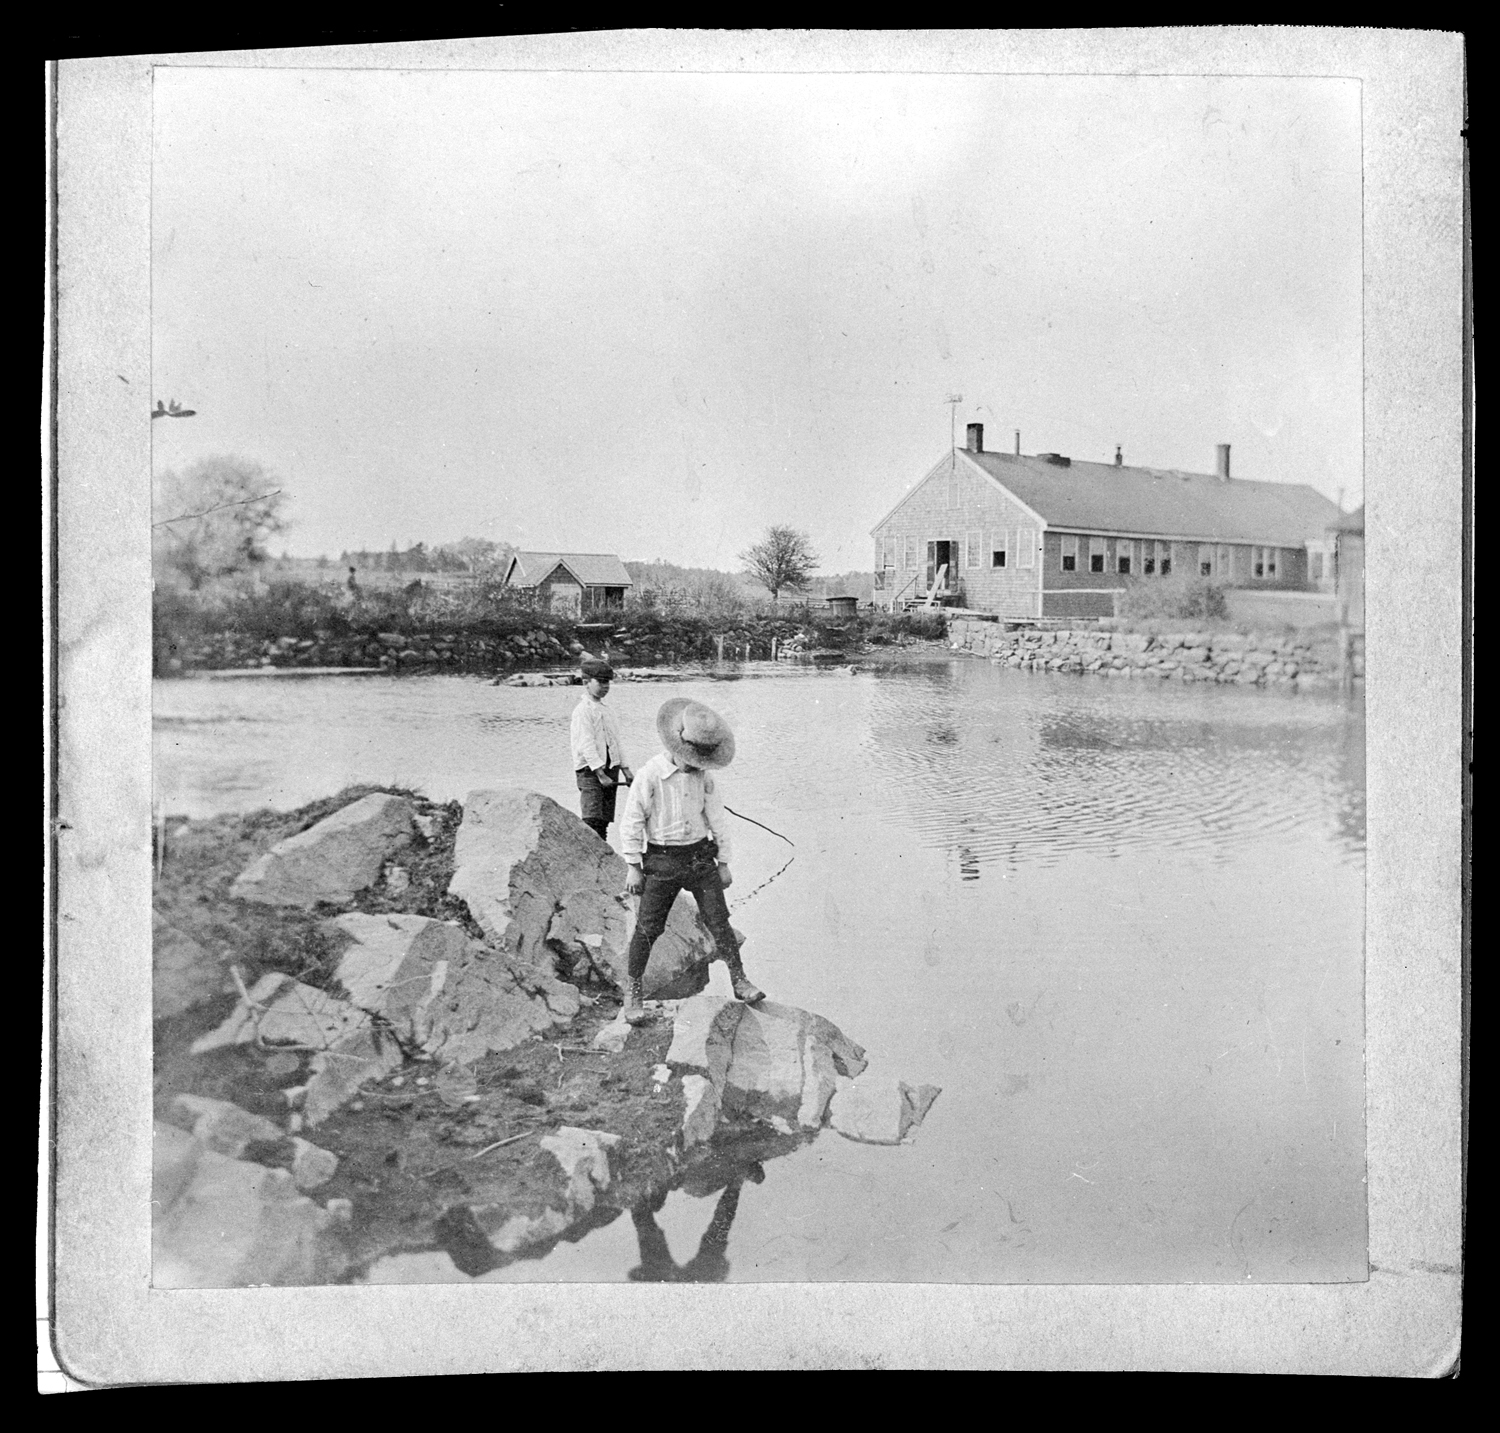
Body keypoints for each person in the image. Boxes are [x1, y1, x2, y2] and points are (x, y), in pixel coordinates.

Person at [619, 697, 766, 1022]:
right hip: (662, 860)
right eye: (691, 757)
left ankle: (739, 980)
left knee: (719, 922)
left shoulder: (705, 778)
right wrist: (633, 865)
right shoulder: (650, 775)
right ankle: (633, 991)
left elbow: (717, 820)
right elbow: (632, 820)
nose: (695, 764)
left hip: (700, 858)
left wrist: (724, 862)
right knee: (648, 927)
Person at [570, 657, 633, 843]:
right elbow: (586, 744)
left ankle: (603, 859)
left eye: (608, 683)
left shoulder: (607, 710)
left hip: (610, 769)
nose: (605, 687)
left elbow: (616, 742)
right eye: (601, 682)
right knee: (592, 818)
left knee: (604, 820)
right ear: (586, 683)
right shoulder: (583, 710)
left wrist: (626, 770)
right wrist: (599, 773)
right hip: (590, 772)